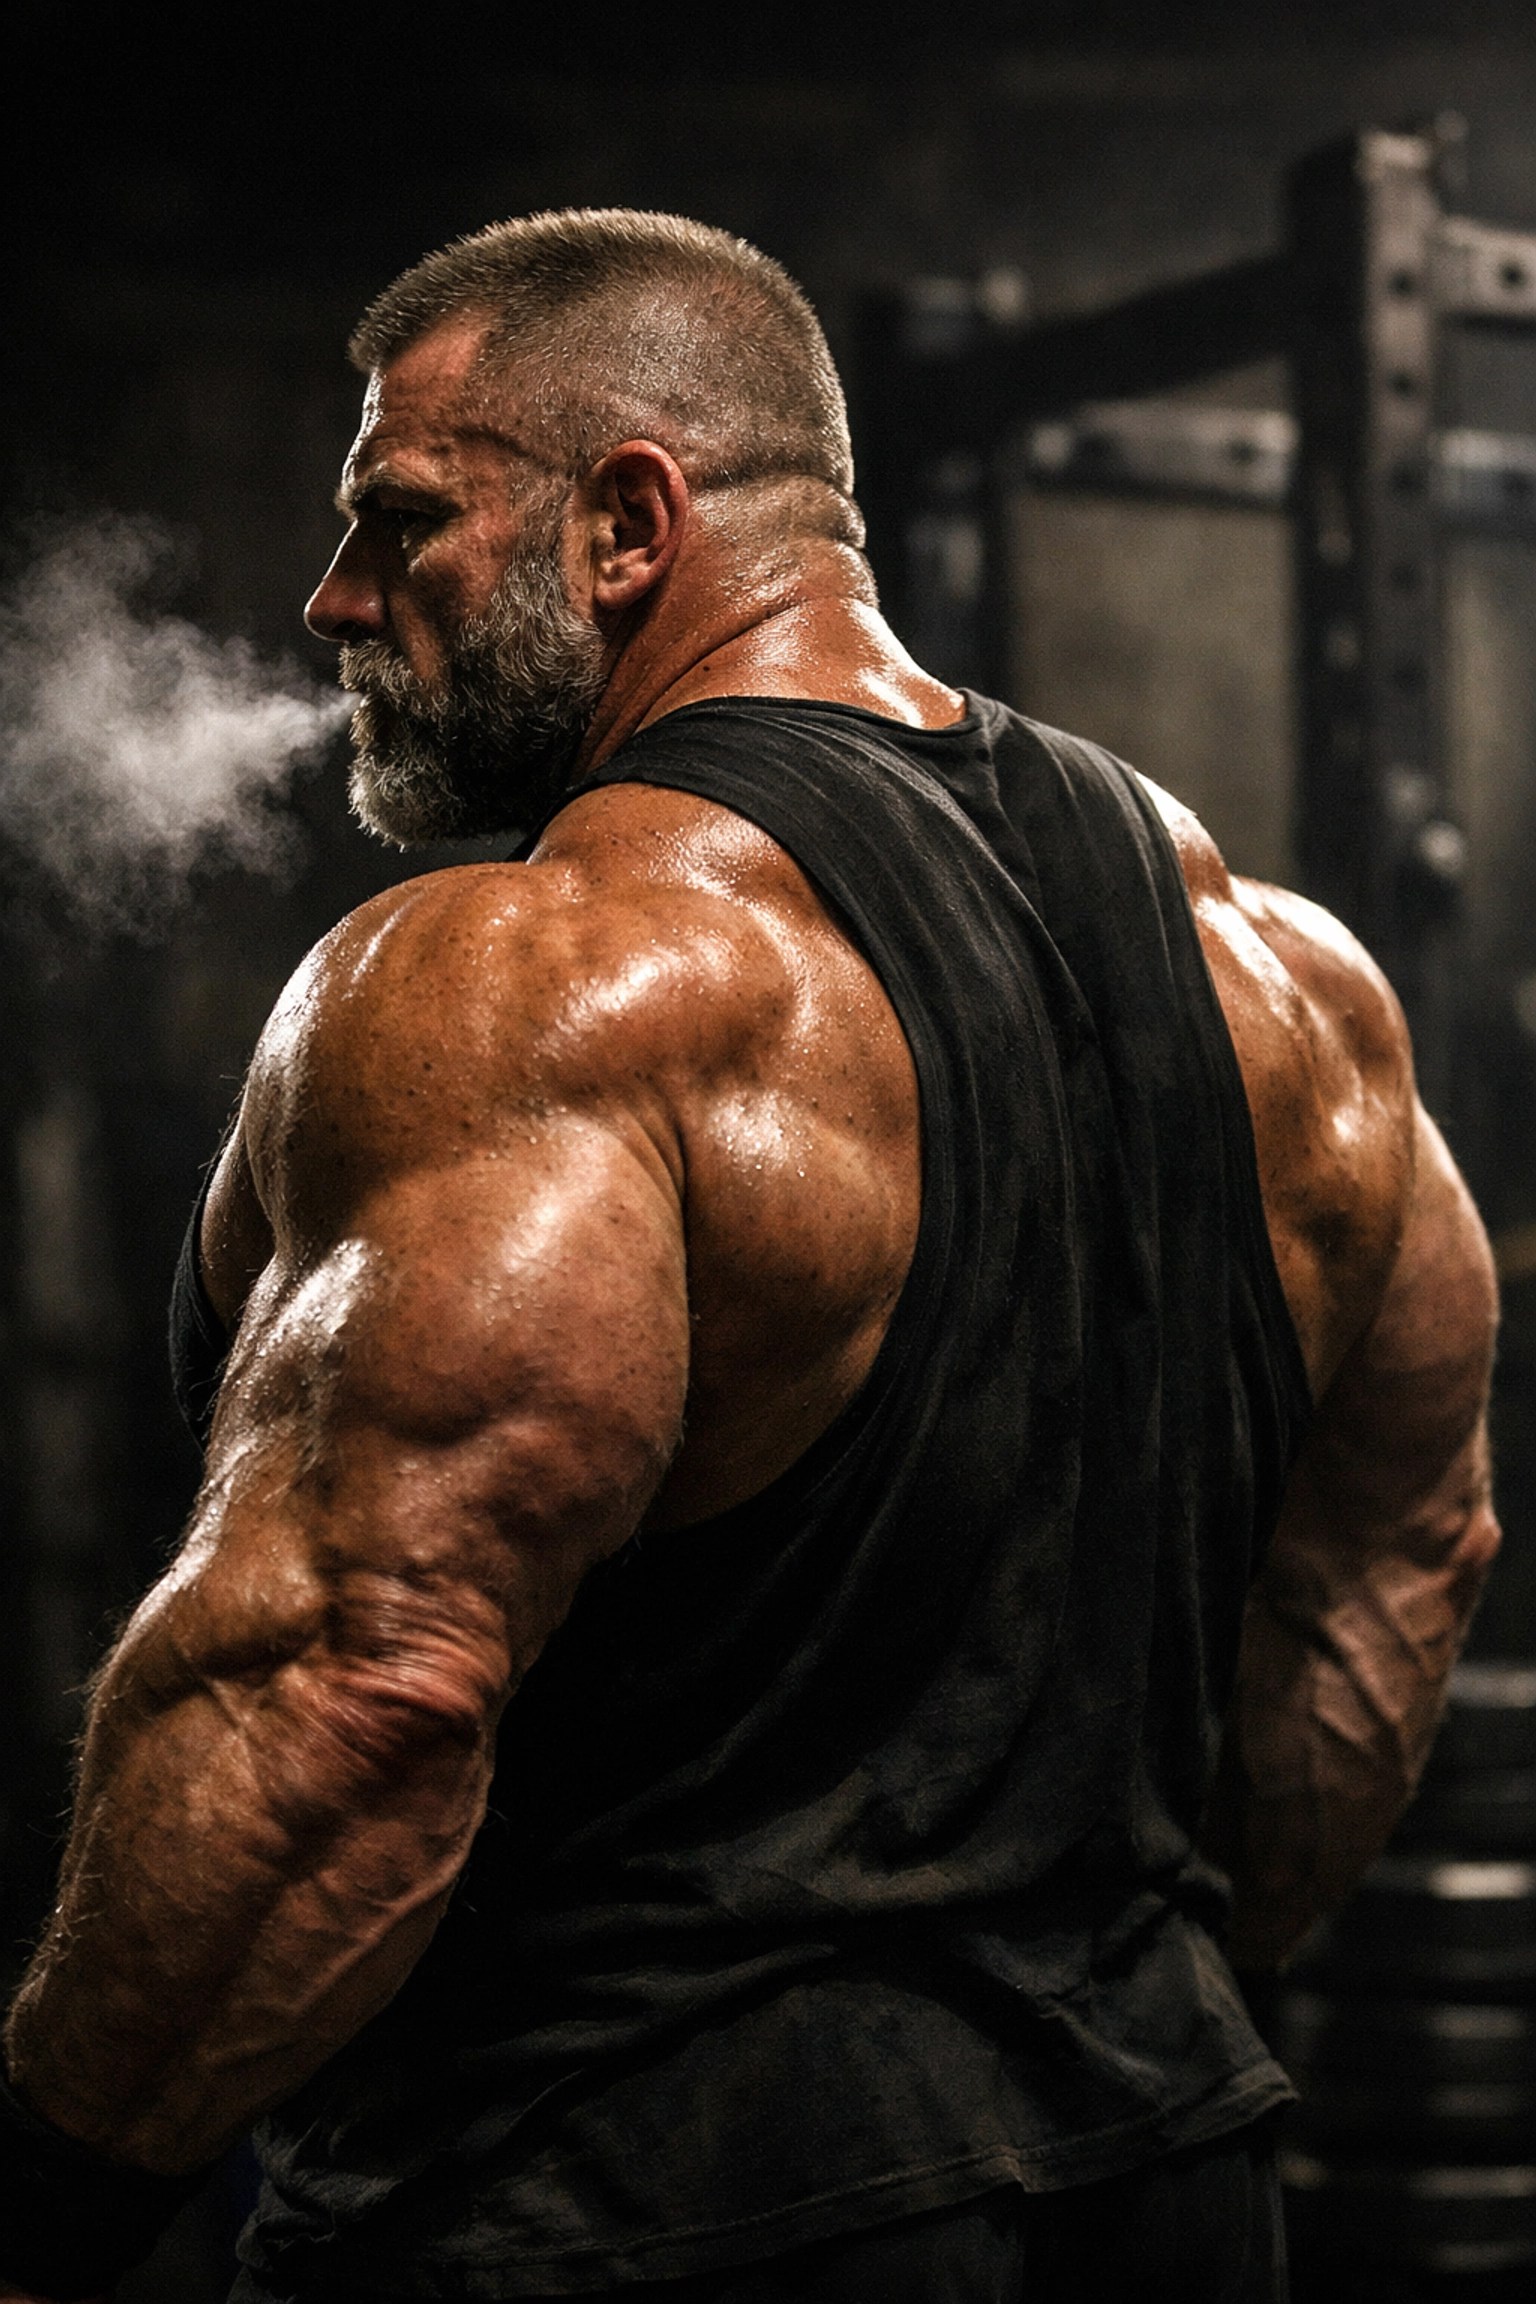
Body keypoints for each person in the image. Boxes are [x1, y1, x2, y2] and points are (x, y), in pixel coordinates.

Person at [0, 211, 1499, 2304]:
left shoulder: (531, 977)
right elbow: (1393, 1573)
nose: (334, 596)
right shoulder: (1295, 988)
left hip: (627, 2220)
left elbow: (351, 1688)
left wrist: (44, 2215)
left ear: (628, 526)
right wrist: (1115, 1999)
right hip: (1167, 2196)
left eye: (399, 519)